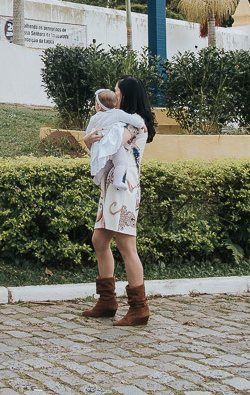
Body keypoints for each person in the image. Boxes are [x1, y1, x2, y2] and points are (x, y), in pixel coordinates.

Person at [81, 76, 156, 326]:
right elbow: (103, 148)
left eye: (117, 92)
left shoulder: (135, 124)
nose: (115, 97)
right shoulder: (122, 120)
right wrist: (89, 140)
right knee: (99, 240)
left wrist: (92, 137)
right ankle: (107, 301)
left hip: (124, 189)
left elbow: (113, 142)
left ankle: (139, 307)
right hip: (112, 189)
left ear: (127, 94)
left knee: (127, 246)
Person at [84, 89, 146, 190]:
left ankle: (97, 176)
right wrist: (141, 125)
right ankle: (118, 180)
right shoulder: (118, 113)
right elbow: (131, 119)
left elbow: (89, 133)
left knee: (103, 161)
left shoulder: (94, 118)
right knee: (121, 162)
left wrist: (88, 137)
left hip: (101, 144)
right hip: (114, 145)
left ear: (99, 106)